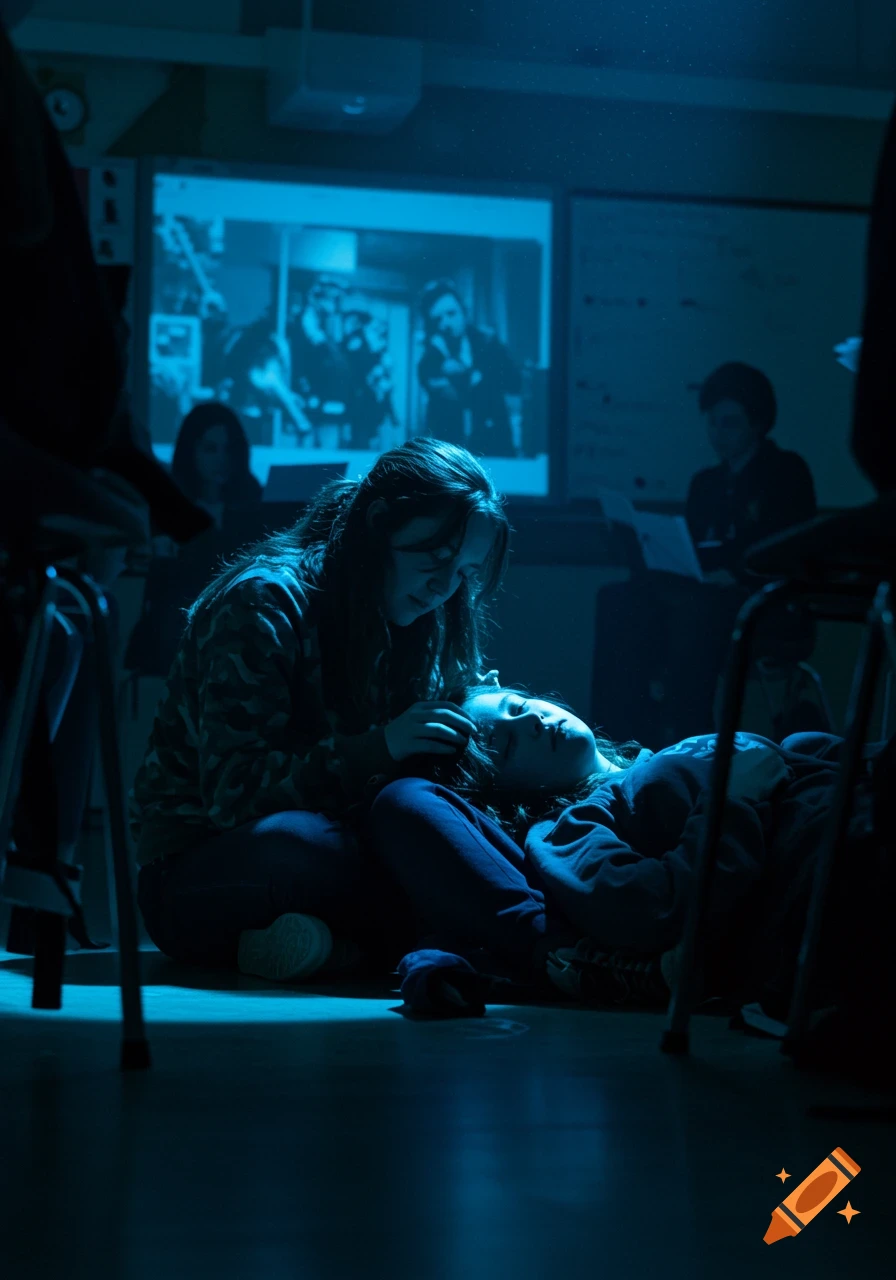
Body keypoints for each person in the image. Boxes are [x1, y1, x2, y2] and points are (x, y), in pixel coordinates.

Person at [130, 438, 510, 984]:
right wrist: (382, 747)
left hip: (335, 846)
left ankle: (334, 946)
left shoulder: (420, 615)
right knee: (303, 847)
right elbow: (235, 798)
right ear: (378, 523)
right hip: (201, 869)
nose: (443, 587)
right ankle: (439, 942)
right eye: (436, 557)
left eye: (464, 572)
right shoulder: (262, 601)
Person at [369, 681, 872, 1012]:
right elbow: (654, 907)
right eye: (509, 745)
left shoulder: (667, 754)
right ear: (510, 791)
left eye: (519, 707)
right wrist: (732, 803)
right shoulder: (572, 826)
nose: (532, 722)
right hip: (832, 876)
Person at [592, 362, 818, 750]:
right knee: (618, 599)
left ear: (758, 424)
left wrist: (736, 571)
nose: (717, 434)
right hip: (702, 595)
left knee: (694, 613)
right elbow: (694, 548)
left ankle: (690, 741)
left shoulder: (786, 472)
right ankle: (619, 739)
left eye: (729, 423)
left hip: (763, 602)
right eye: (712, 423)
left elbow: (791, 550)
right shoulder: (706, 483)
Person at [417, 280, 521, 457]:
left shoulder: (488, 343)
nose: (446, 323)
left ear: (464, 313)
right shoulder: (430, 361)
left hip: (494, 444)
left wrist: (474, 373)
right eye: (437, 319)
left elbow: (515, 383)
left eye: (451, 313)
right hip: (451, 453)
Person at [170, 402, 263, 526]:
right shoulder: (168, 508)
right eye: (210, 449)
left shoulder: (255, 505)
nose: (222, 459)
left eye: (228, 449)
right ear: (190, 451)